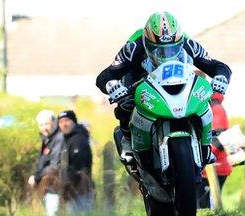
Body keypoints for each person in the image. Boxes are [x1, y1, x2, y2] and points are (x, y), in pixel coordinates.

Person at [95, 11, 232, 167]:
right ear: (147, 42)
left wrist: (221, 77)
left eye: (173, 50)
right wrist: (112, 86)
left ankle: (204, 143)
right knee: (126, 103)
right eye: (158, 50)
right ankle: (128, 141)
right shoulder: (133, 47)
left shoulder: (188, 43)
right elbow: (105, 76)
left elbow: (217, 65)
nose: (166, 55)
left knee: (200, 98)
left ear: (179, 42)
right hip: (140, 78)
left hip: (178, 79)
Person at [197, 92, 233, 209]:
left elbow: (220, 139)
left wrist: (202, 154)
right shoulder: (207, 106)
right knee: (201, 204)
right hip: (207, 167)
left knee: (207, 206)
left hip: (216, 167)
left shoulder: (216, 109)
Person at [57, 110, 94, 214]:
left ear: (74, 122)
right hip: (71, 191)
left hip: (80, 191)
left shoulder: (78, 139)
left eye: (67, 120)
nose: (64, 124)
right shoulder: (67, 139)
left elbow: (79, 168)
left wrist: (68, 185)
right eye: (61, 122)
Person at [29, 110, 64, 188]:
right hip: (49, 184)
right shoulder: (47, 138)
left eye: (47, 124)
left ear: (54, 122)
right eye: (41, 125)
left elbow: (55, 165)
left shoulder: (60, 138)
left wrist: (36, 177)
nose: (44, 128)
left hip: (59, 185)